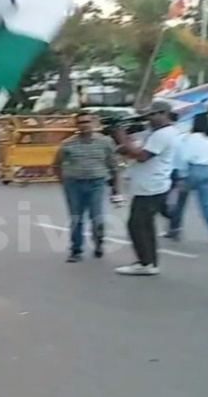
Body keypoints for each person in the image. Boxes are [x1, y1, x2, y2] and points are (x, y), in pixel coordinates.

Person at [114, 100, 179, 276]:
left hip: (151, 187)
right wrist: (125, 143)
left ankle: (145, 263)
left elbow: (142, 156)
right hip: (149, 185)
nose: (148, 118)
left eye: (152, 114)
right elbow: (132, 149)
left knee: (137, 225)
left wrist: (121, 135)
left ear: (164, 114)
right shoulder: (155, 132)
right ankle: (149, 262)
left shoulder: (164, 134)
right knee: (145, 226)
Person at [53, 113, 118, 262]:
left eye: (87, 122)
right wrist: (63, 181)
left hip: (97, 182)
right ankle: (76, 250)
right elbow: (56, 164)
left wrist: (116, 188)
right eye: (80, 122)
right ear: (76, 125)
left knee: (97, 217)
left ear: (94, 123)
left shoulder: (105, 142)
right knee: (76, 217)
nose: (84, 125)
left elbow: (113, 165)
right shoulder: (68, 144)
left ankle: (99, 243)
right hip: (74, 183)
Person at [167, 113, 208, 244]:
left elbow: (184, 157)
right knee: (206, 205)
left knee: (180, 202)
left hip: (194, 170)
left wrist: (182, 176)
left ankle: (174, 229)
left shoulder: (192, 138)